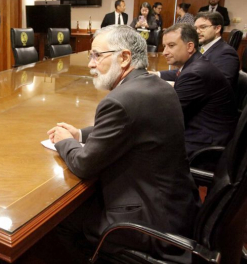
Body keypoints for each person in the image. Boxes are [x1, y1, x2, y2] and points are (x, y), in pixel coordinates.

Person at [47, 25, 199, 262]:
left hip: (145, 220)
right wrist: (80, 134)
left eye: (97, 55)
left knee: (57, 222)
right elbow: (131, 127)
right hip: (177, 206)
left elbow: (84, 165)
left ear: (125, 57)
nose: (90, 63)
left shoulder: (120, 100)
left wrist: (65, 142)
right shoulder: (157, 86)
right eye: (91, 56)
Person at [161, 23, 237, 158]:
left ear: (190, 46)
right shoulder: (195, 64)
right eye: (164, 46)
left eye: (171, 46)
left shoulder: (194, 73)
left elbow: (168, 115)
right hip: (203, 131)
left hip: (203, 145)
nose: (165, 52)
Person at [158, 12, 239, 89]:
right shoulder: (201, 48)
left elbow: (222, 86)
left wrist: (177, 84)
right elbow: (185, 71)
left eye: (203, 27)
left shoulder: (226, 52)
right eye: (196, 28)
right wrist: (157, 74)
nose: (197, 31)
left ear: (217, 28)